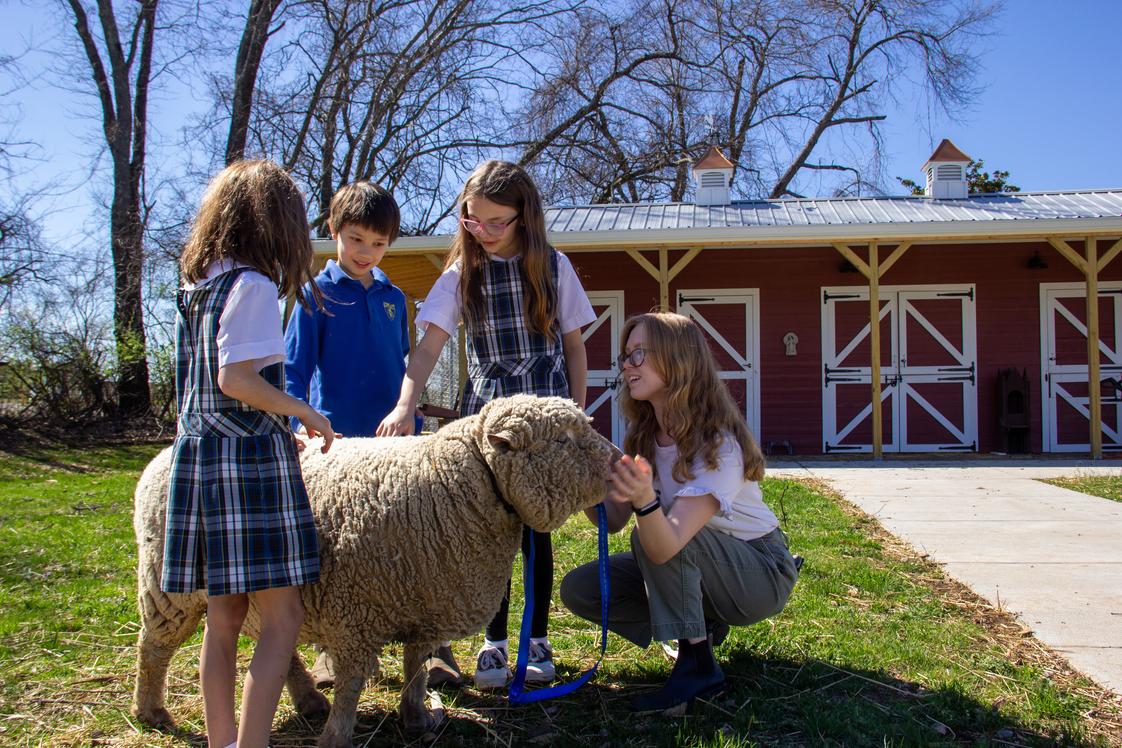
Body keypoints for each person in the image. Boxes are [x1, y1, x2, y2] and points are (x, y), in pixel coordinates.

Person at [377, 160, 596, 689]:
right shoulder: (460, 274)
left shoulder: (553, 267)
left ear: (524, 216)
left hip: (544, 415)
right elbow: (429, 345)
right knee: (490, 530)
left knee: (538, 530)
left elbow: (574, 346)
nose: (486, 232)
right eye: (474, 221)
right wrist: (407, 403)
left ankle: (537, 638)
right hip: (487, 418)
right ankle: (493, 643)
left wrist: (578, 417)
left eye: (498, 222)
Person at [161, 160, 336, 748]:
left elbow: (205, 390)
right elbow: (236, 378)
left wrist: (266, 419)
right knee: (283, 617)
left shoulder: (198, 283)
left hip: (202, 457)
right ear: (275, 223)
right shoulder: (253, 286)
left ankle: (222, 741)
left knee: (224, 617)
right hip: (246, 467)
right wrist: (301, 411)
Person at [559, 312, 799, 713]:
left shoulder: (719, 444)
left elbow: (665, 542)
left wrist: (644, 501)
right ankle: (700, 626)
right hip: (703, 563)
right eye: (626, 356)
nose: (627, 366)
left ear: (678, 359)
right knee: (583, 590)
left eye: (639, 354)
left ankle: (698, 665)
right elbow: (614, 521)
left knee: (658, 540)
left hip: (761, 571)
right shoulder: (645, 437)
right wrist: (587, 480)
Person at [283, 180, 425, 687]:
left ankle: (428, 648)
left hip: (394, 444)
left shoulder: (394, 298)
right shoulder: (313, 294)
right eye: (356, 238)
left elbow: (405, 365)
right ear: (334, 232)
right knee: (338, 547)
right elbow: (293, 372)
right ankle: (332, 648)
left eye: (379, 243)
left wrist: (412, 415)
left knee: (409, 541)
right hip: (335, 446)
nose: (366, 252)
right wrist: (298, 421)